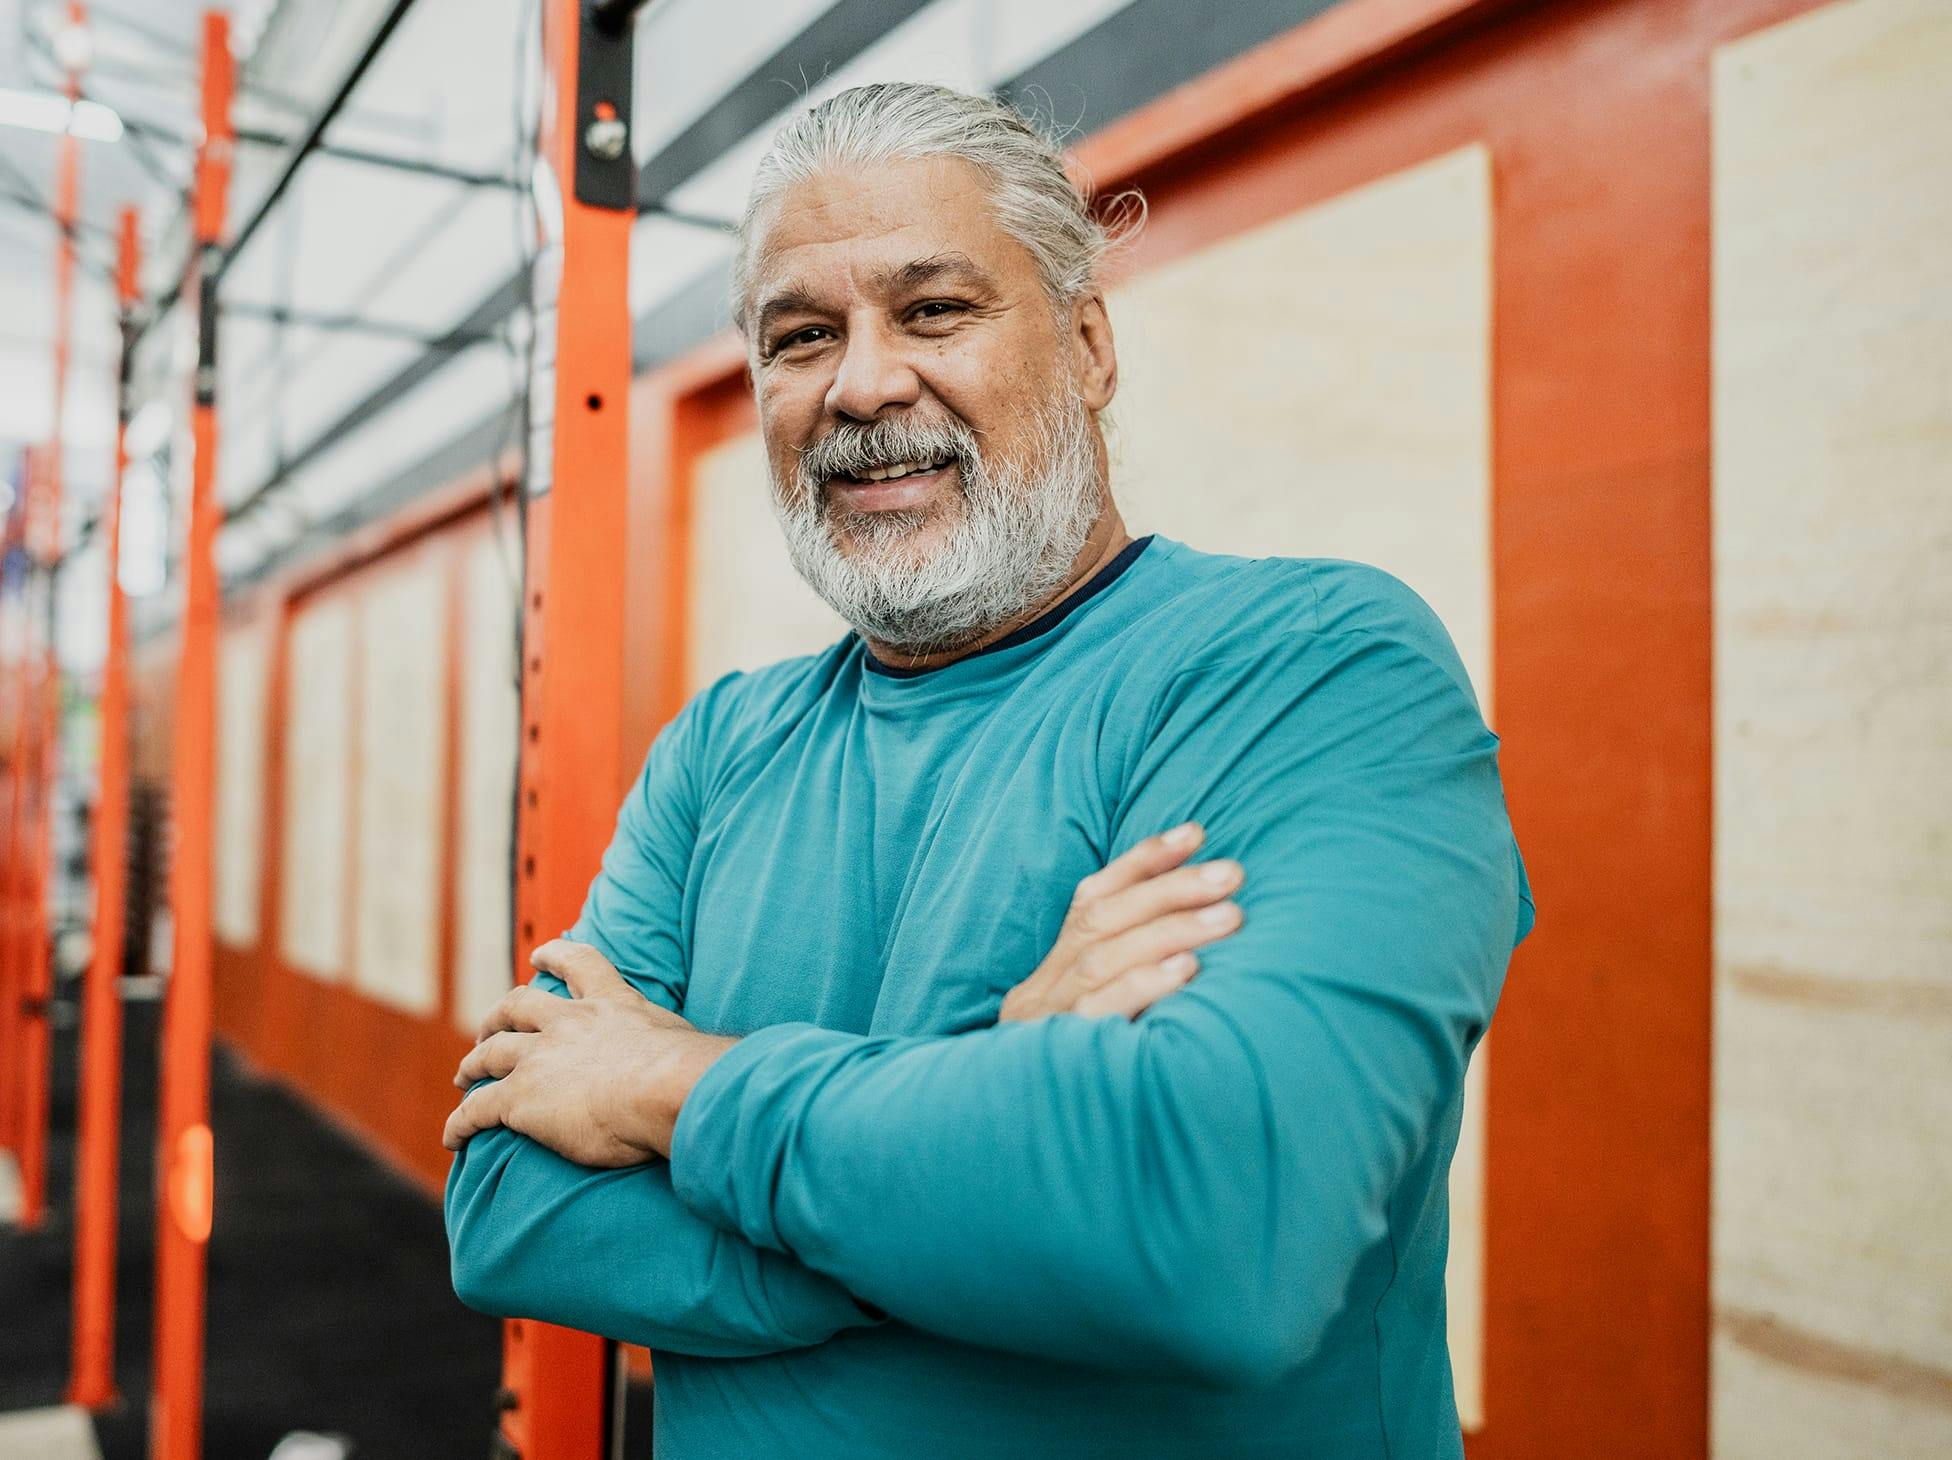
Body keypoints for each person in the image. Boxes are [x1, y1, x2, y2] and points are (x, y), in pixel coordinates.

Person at [443, 81, 1534, 1459]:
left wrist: (671, 1088)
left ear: (1086, 345)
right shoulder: (718, 752)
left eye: (936, 310)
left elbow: (1210, 1228)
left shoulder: (1310, 667)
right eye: (800, 336)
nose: (862, 383)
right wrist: (995, 1119)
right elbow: (509, 1211)